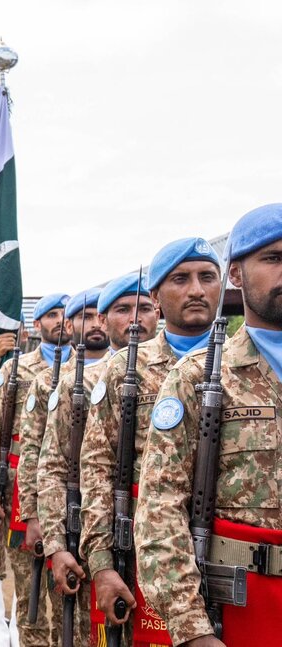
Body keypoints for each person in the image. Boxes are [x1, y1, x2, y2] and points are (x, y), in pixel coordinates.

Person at [137, 203, 282, 647]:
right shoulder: (198, 377)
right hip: (246, 605)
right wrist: (191, 629)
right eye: (273, 259)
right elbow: (160, 510)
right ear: (237, 274)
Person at [82, 238, 219, 646]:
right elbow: (96, 467)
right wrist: (103, 564)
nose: (196, 289)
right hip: (142, 553)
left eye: (206, 277)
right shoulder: (125, 371)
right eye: (181, 279)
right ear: (157, 299)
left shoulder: (243, 363)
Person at [39, 277, 149, 647]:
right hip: (99, 534)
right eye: (123, 309)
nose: (136, 319)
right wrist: (56, 541)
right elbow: (55, 466)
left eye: (144, 308)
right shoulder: (78, 384)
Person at [0, 292, 73, 647]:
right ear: (36, 325)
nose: (60, 320)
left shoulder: (91, 368)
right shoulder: (14, 370)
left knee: (69, 600)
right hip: (23, 494)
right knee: (30, 597)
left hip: (71, 494)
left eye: (65, 314)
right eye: (51, 315)